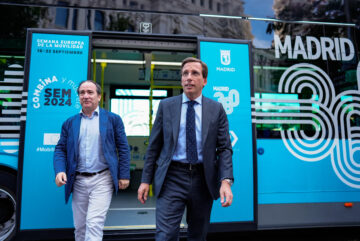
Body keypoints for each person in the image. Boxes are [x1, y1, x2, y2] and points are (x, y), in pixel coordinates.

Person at [138, 57, 234, 241]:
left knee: (197, 235)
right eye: (185, 74)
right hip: (172, 177)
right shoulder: (166, 106)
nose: (189, 78)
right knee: (165, 235)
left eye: (194, 73)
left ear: (204, 81)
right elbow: (154, 146)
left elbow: (224, 148)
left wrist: (225, 181)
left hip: (203, 179)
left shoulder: (216, 109)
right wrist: (145, 180)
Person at [54, 80, 130, 241]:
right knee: (80, 227)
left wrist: (124, 174)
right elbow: (60, 149)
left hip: (102, 179)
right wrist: (60, 170)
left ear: (99, 97)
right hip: (78, 181)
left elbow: (123, 148)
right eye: (82, 93)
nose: (86, 96)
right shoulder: (70, 123)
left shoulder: (113, 120)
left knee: (94, 223)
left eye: (90, 92)